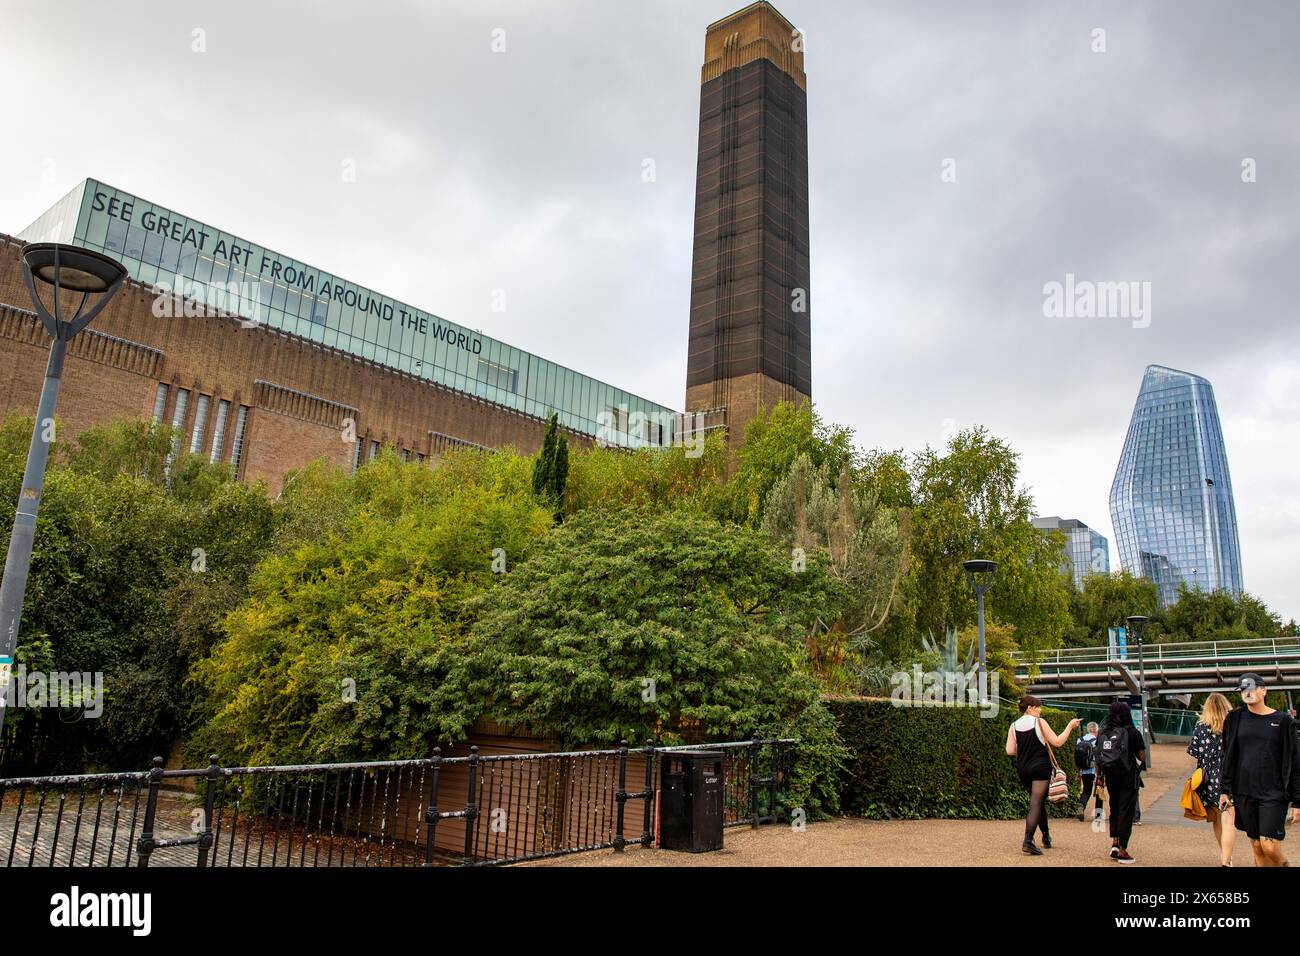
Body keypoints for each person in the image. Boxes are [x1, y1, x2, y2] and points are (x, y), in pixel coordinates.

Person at [1218, 673, 1300, 867]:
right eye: (1243, 690)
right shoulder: (1234, 718)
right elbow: (1228, 755)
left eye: (1252, 688)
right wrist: (1224, 790)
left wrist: (1297, 801)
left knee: (1269, 845)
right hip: (1244, 791)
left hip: (1274, 792)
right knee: (1256, 845)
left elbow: (1296, 761)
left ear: (1264, 690)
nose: (1248, 693)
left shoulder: (1283, 721)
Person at [1006, 695, 1082, 855]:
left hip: (1023, 768)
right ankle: (1028, 840)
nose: (1040, 710)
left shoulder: (1014, 726)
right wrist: (1069, 726)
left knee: (1037, 802)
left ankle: (1046, 836)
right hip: (1040, 766)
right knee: (1036, 802)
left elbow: (1010, 750)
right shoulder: (1039, 722)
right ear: (1029, 708)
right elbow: (1057, 742)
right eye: (1038, 707)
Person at [1188, 693, 1236, 866]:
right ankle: (1226, 856)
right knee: (1228, 818)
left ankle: (1226, 857)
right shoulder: (1233, 726)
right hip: (1230, 775)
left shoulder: (1201, 726)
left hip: (1207, 778)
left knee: (1216, 819)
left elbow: (1194, 751)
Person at [1096, 700, 1145, 864]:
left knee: (1115, 808)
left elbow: (1098, 756)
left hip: (1111, 776)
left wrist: (1099, 777)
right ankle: (1123, 850)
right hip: (1128, 776)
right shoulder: (1132, 733)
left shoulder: (1104, 732)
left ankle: (1115, 843)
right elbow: (1142, 757)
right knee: (1126, 811)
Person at [1075, 721, 1103, 821]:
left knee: (1086, 790)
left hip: (1084, 769)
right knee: (1100, 791)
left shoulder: (1080, 740)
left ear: (1088, 729)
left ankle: (1081, 805)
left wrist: (1078, 772)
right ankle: (1098, 815)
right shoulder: (1097, 740)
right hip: (1096, 770)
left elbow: (1077, 756)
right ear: (1096, 730)